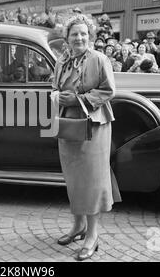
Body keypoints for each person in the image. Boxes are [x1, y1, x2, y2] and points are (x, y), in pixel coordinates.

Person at [51, 14, 121, 261]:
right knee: (73, 178)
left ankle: (92, 235)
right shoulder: (62, 61)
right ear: (67, 38)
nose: (79, 38)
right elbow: (55, 86)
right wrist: (57, 96)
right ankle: (78, 227)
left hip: (94, 124)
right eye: (74, 34)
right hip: (68, 123)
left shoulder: (99, 59)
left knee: (91, 180)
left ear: (89, 37)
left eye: (83, 34)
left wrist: (79, 100)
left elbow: (108, 90)